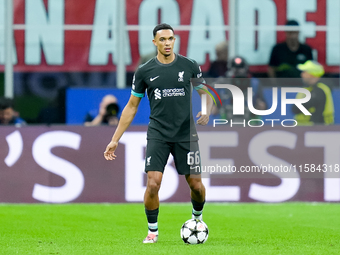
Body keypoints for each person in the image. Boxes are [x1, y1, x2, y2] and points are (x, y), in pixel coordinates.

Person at [103, 23, 213, 243]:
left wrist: (207, 109)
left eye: (170, 39)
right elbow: (132, 106)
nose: (167, 43)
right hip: (158, 133)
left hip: (185, 134)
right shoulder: (145, 71)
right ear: (155, 42)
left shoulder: (189, 65)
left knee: (197, 186)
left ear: (174, 40)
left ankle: (196, 219)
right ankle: (152, 232)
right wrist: (115, 139)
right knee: (153, 183)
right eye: (162, 40)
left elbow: (205, 92)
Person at [219, 56, 267, 121]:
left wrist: (261, 106)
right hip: (227, 122)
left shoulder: (255, 83)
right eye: (235, 70)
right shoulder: (223, 83)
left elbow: (264, 105)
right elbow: (214, 107)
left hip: (251, 122)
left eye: (240, 69)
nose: (238, 73)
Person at [292, 60, 334, 125]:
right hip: (303, 129)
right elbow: (294, 108)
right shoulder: (307, 88)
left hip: (317, 131)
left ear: (312, 74)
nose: (302, 74)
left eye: (304, 72)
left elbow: (318, 115)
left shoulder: (320, 89)